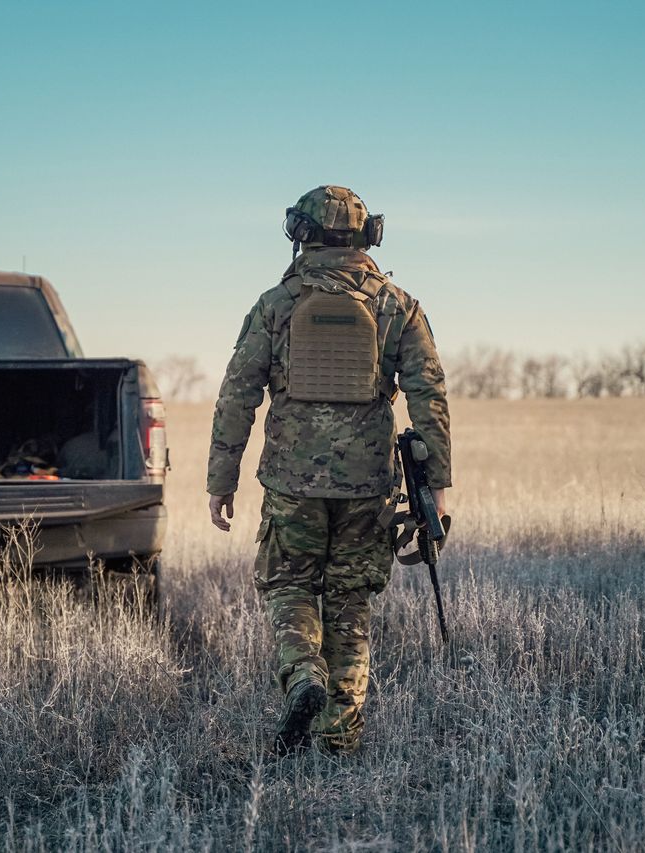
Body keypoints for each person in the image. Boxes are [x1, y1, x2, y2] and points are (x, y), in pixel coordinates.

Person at [207, 185, 451, 755]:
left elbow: (237, 395)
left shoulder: (275, 304)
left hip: (291, 484)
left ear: (301, 234)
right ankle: (338, 739)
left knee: (289, 586)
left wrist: (221, 480)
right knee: (350, 602)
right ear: (369, 237)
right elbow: (429, 398)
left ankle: (303, 675)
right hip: (368, 485)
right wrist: (437, 489)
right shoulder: (399, 306)